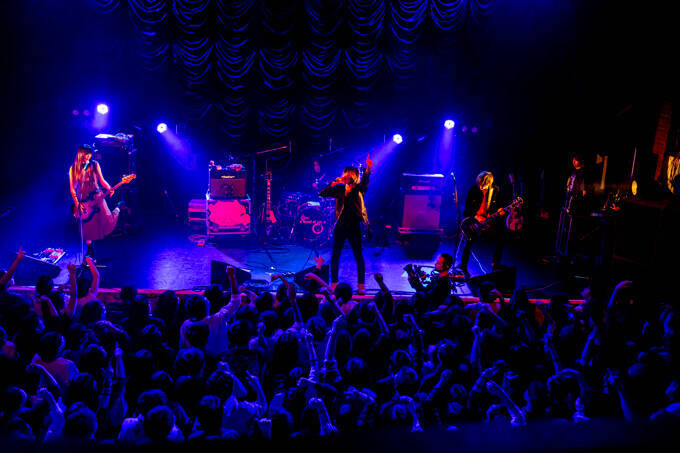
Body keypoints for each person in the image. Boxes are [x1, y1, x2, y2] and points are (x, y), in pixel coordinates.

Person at [319, 154, 373, 295]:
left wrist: (368, 170)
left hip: (354, 226)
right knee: (335, 255)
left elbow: (365, 182)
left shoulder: (358, 189)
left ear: (355, 176)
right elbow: (322, 193)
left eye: (350, 174)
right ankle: (334, 284)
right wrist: (333, 183)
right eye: (346, 174)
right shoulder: (339, 189)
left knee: (358, 255)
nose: (347, 176)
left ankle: (361, 285)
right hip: (341, 226)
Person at [69, 145, 120, 259]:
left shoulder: (95, 164)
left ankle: (118, 208)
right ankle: (90, 251)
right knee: (87, 226)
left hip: (97, 196)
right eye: (86, 154)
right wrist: (77, 203)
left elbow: (102, 180)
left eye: (90, 154)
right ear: (80, 154)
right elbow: (72, 188)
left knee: (107, 218)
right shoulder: (74, 168)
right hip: (84, 200)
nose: (88, 156)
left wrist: (109, 187)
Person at [458, 171, 507, 275]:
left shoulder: (495, 190)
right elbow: (467, 207)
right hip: (474, 219)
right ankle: (463, 264)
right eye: (479, 184)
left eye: (483, 184)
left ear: (489, 183)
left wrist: (500, 210)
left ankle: (495, 263)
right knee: (469, 239)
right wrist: (476, 217)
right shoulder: (473, 189)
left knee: (501, 236)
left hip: (488, 220)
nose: (480, 187)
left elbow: (498, 205)